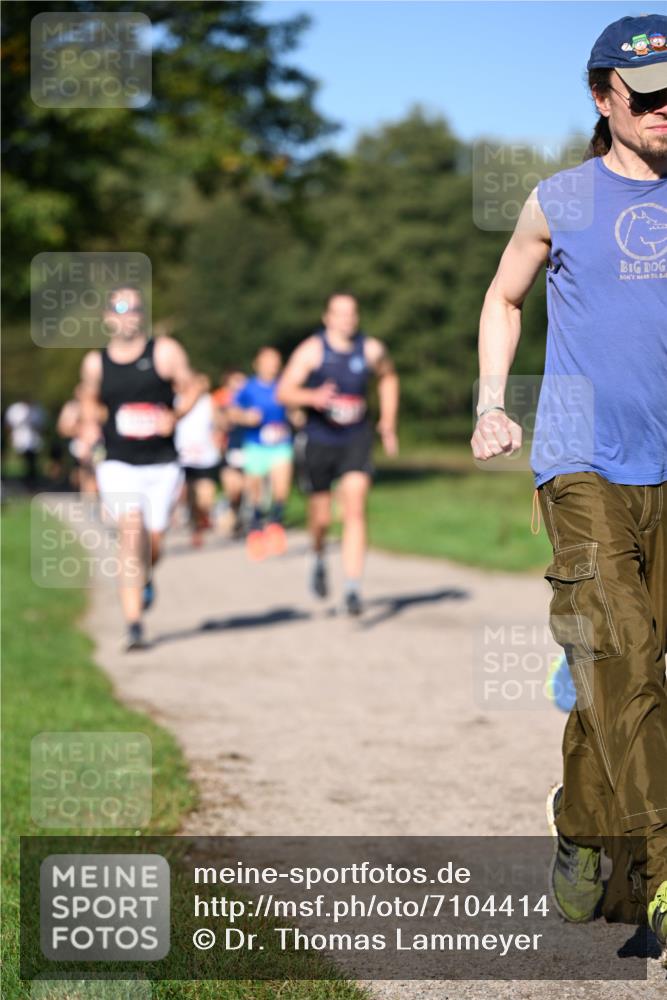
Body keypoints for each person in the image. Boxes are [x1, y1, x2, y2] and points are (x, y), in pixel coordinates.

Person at [471, 14, 666, 961]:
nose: (666, 108)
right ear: (603, 99)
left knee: (639, 665)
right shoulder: (561, 199)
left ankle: (584, 825)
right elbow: (503, 297)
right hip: (581, 458)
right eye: (648, 94)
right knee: (622, 646)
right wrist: (488, 404)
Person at [79, 286, 199, 651]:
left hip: (161, 462)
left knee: (154, 541)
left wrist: (175, 415)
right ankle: (134, 624)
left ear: (141, 315)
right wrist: (88, 425)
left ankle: (146, 577)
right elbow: (88, 395)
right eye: (119, 308)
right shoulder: (95, 362)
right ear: (106, 317)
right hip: (119, 461)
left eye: (133, 309)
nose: (126, 315)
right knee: (131, 531)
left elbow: (193, 387)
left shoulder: (164, 351)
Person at [277, 293, 399, 616]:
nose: (346, 319)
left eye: (352, 313)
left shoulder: (371, 349)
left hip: (355, 439)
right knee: (321, 517)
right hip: (319, 440)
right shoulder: (312, 350)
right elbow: (284, 391)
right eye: (339, 313)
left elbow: (388, 376)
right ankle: (317, 555)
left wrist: (387, 421)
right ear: (326, 318)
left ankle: (352, 589)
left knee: (355, 507)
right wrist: (310, 395)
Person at [228, 347, 293, 561]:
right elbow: (231, 411)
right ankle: (256, 528)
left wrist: (297, 414)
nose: (273, 365)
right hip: (255, 445)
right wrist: (246, 417)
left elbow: (294, 407)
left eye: (276, 361)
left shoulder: (284, 385)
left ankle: (275, 523)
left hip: (280, 444)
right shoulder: (248, 387)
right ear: (257, 363)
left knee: (281, 487)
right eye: (268, 361)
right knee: (254, 490)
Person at [174, 373, 223, 547]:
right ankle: (196, 527)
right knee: (191, 496)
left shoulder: (209, 401)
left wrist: (220, 429)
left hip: (206, 456)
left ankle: (203, 518)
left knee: (206, 498)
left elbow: (220, 422)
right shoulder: (177, 400)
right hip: (183, 456)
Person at [212, 369, 247, 538]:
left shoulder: (250, 399)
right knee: (233, 489)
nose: (239, 385)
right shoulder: (221, 401)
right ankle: (230, 510)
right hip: (230, 449)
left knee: (245, 488)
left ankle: (243, 518)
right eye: (236, 381)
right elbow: (220, 423)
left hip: (249, 448)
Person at [4, 399, 45, 488]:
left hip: (32, 441)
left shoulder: (37, 410)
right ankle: (15, 482)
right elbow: (8, 425)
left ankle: (31, 482)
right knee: (18, 463)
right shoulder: (15, 409)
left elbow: (41, 427)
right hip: (19, 440)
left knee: (31, 463)